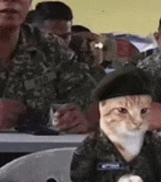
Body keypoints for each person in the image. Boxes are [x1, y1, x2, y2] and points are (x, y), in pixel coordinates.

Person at [0, 0, 98, 134]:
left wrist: (83, 121)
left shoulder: (51, 49)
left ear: (29, 3)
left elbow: (94, 104)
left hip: (36, 152)